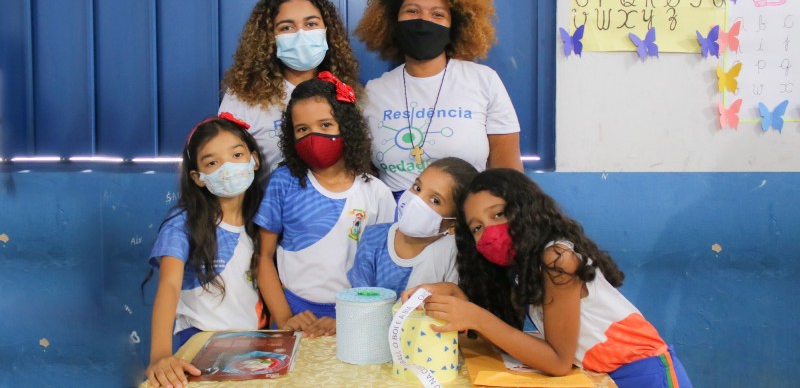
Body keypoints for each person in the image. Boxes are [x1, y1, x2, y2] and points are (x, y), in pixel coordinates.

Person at [405, 169, 693, 388]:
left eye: (499, 214)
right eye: (477, 227)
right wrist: (453, 293)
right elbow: (508, 334)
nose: (489, 230)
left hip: (646, 374)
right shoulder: (523, 268)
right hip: (602, 377)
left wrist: (476, 317)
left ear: (525, 208)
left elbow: (557, 361)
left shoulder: (557, 259)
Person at [354, 0, 523, 200]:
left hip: (466, 219)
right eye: (412, 11)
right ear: (392, 20)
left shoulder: (483, 81)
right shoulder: (374, 91)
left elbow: (508, 173)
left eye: (438, 14)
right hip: (393, 220)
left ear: (456, 25)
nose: (423, 21)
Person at [255, 72, 396, 337]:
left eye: (326, 125)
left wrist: (352, 318)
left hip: (357, 318)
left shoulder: (376, 192)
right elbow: (262, 257)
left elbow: (386, 273)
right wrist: (285, 318)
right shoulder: (283, 182)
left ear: (347, 126)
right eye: (302, 129)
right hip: (294, 313)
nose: (313, 136)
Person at [145, 113, 265, 388]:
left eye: (237, 155)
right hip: (201, 346)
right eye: (212, 162)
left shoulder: (263, 220)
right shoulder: (182, 224)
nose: (228, 167)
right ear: (198, 178)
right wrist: (160, 356)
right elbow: (169, 285)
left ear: (254, 160)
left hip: (256, 347)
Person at [220, 0, 362, 174]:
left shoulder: (345, 92)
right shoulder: (243, 96)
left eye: (311, 24)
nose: (301, 34)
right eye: (287, 27)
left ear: (327, 30)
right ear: (269, 37)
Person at [347, 157, 478, 297]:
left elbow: (455, 304)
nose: (416, 200)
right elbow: (359, 299)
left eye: (435, 200)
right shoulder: (373, 237)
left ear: (454, 224)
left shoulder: (453, 253)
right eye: (417, 188)